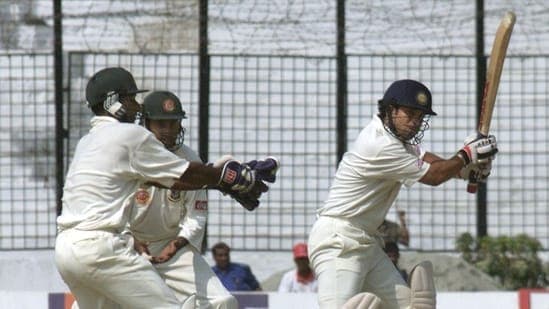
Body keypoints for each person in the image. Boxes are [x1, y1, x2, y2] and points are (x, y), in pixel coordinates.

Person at [54, 67, 277, 309]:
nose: (136, 106)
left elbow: (158, 180)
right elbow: (182, 176)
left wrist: (218, 180)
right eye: (130, 99)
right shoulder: (129, 135)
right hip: (106, 247)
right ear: (113, 102)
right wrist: (228, 176)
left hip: (66, 249)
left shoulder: (88, 142)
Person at [307, 79, 498, 308]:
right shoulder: (379, 144)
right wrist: (467, 156)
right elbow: (434, 176)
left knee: (410, 305)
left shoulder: (397, 140)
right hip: (339, 241)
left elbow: (430, 161)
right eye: (409, 114)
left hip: (367, 243)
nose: (414, 123)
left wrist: (465, 171)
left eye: (420, 117)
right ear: (391, 109)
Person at [127, 90, 239, 308]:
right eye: (161, 124)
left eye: (173, 123)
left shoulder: (190, 160)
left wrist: (177, 243)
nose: (168, 131)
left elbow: (197, 214)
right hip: (129, 244)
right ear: (147, 123)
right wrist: (130, 240)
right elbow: (114, 210)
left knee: (223, 302)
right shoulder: (131, 155)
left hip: (171, 246)